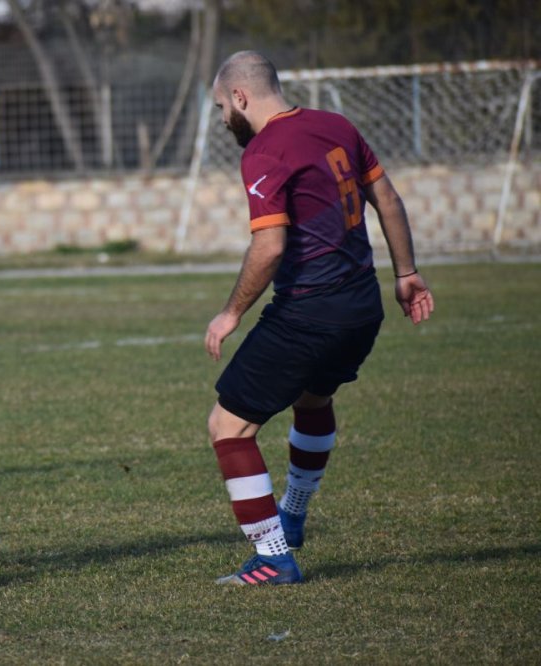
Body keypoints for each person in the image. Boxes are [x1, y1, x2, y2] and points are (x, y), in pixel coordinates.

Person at [203, 51, 434, 585]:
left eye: (220, 107)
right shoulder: (337, 125)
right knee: (313, 400)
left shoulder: (265, 149)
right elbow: (389, 199)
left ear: (240, 97)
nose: (221, 120)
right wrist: (407, 273)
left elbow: (268, 246)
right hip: (362, 309)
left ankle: (273, 557)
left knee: (228, 428)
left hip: (310, 311)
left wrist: (230, 312)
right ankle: (295, 516)